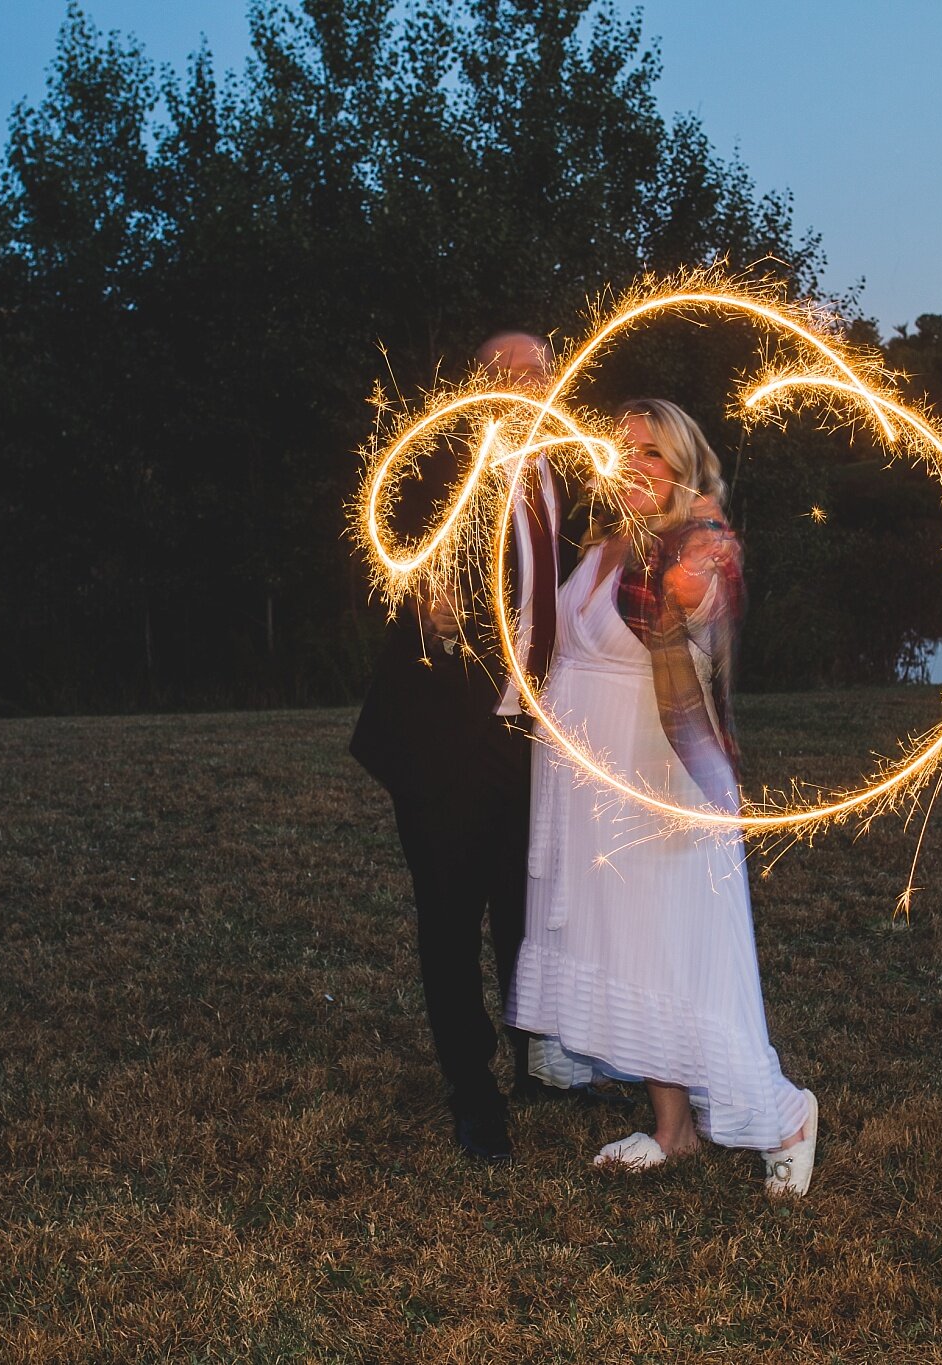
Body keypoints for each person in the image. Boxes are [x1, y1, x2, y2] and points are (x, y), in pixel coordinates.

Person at [506, 397, 820, 1196]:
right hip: (588, 779)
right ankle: (672, 1129)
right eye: (622, 449)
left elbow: (697, 600)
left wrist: (692, 587)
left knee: (679, 951)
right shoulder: (604, 540)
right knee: (629, 947)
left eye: (651, 452)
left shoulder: (695, 537)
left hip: (654, 779)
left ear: (681, 465)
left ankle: (782, 1113)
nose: (633, 464)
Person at [349, 332, 574, 1162]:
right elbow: (386, 561)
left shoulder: (567, 472)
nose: (525, 387)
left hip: (530, 737)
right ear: (476, 387)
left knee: (528, 912)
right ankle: (471, 1089)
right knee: (450, 919)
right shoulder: (442, 467)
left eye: (539, 373)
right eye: (504, 375)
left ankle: (535, 1060)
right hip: (446, 736)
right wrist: (424, 616)